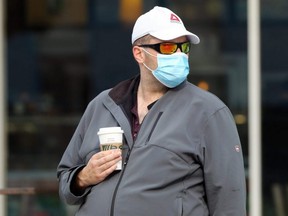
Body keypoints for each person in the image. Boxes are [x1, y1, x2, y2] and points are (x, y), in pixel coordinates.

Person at [57, 6, 246, 216]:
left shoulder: (209, 112)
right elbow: (66, 182)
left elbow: (229, 203)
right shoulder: (102, 105)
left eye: (183, 48)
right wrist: (83, 177)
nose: (179, 55)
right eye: (167, 47)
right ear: (139, 53)